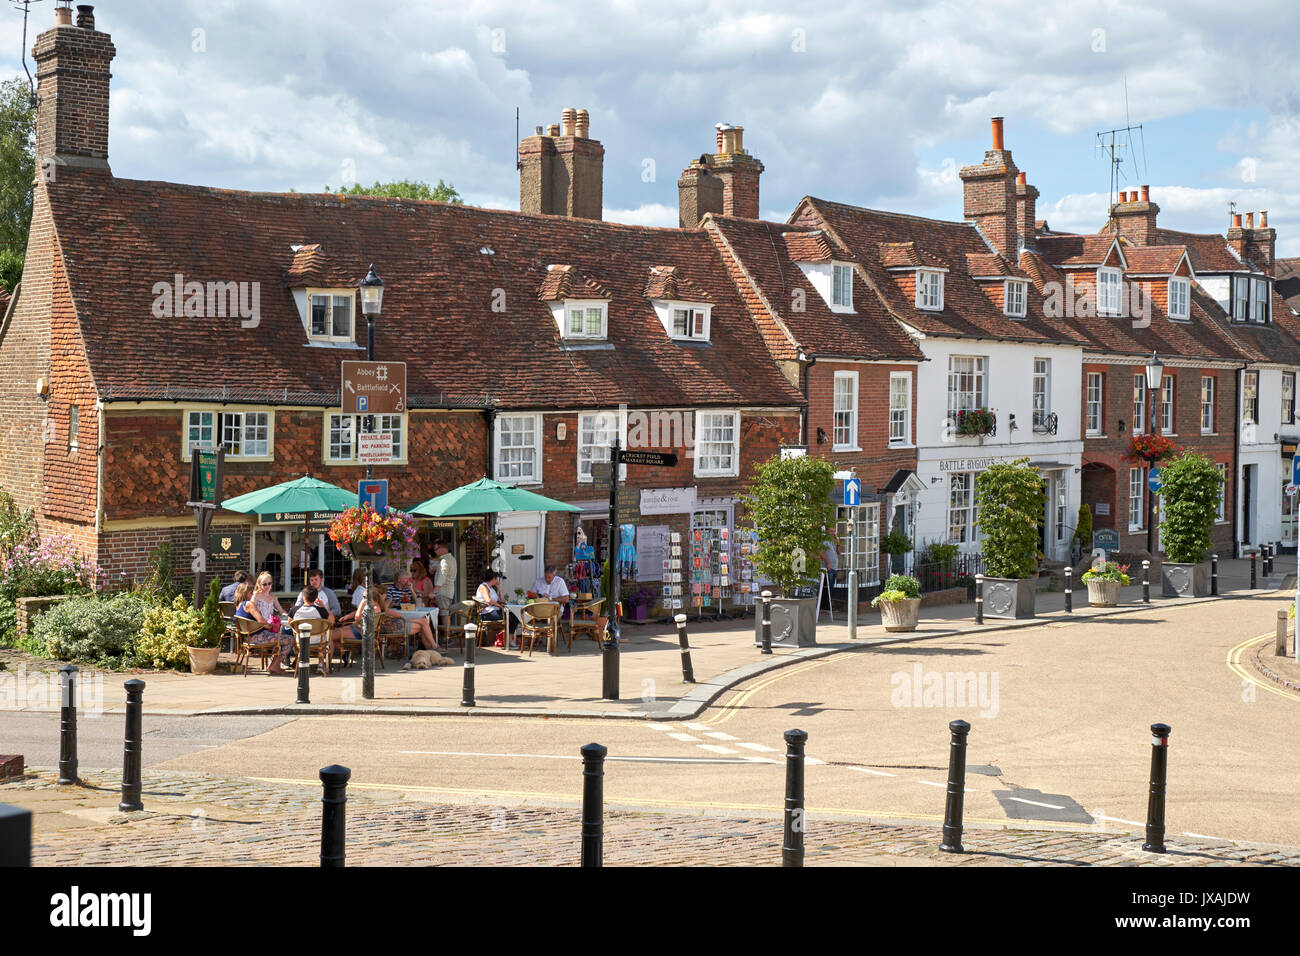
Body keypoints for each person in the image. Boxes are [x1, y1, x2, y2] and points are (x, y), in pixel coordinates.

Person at [235, 576, 291, 675]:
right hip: (257, 637)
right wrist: (273, 626)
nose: (253, 595)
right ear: (248, 594)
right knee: (290, 639)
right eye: (252, 593)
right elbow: (261, 621)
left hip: (248, 637)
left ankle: (273, 665)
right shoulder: (250, 604)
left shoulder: (240, 605)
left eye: (270, 584)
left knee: (280, 639)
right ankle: (275, 665)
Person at [386, 571, 437, 651]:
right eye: (406, 579)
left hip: (407, 615)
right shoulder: (390, 589)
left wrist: (411, 589)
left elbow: (417, 602)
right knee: (424, 622)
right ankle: (432, 648)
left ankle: (430, 648)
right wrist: (394, 604)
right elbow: (387, 605)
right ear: (399, 580)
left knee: (424, 622)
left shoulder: (406, 589)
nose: (408, 581)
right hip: (397, 617)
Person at [476, 569, 520, 648]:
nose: (497, 580)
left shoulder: (491, 588)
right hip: (487, 613)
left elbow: (502, 600)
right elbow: (488, 600)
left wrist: (499, 588)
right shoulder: (483, 587)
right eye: (496, 578)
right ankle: (509, 641)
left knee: (515, 617)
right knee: (511, 617)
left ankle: (509, 640)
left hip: (494, 611)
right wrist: (500, 607)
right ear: (493, 579)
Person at [433, 540, 458, 614]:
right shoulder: (452, 559)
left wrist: (434, 592)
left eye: (436, 549)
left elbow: (442, 577)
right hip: (448, 591)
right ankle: (447, 626)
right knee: (445, 614)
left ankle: (447, 626)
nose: (435, 551)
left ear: (442, 548)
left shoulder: (444, 561)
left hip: (443, 592)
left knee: (444, 615)